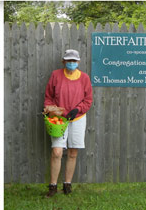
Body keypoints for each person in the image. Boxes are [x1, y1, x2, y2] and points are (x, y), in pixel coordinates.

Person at [43, 49, 93, 197]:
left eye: (74, 61)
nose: (71, 63)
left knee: (72, 152)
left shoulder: (84, 78)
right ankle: (53, 186)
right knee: (57, 151)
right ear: (63, 61)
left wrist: (77, 110)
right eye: (69, 61)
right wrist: (55, 110)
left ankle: (67, 184)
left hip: (77, 118)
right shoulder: (56, 75)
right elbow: (48, 97)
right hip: (59, 119)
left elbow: (88, 100)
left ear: (78, 62)